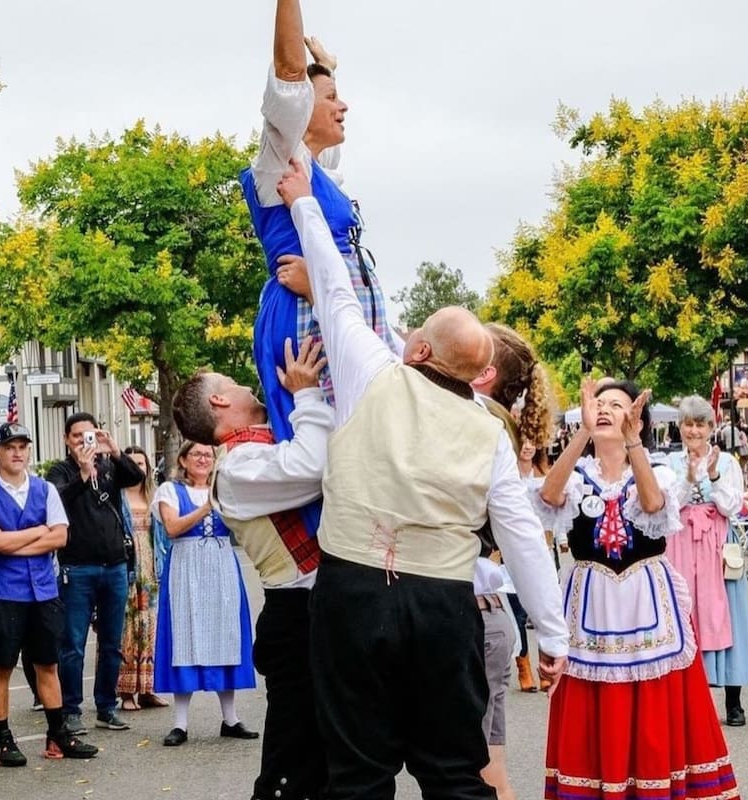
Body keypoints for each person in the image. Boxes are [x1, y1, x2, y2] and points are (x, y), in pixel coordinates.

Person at [281, 165, 569, 800]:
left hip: (354, 587)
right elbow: (521, 535)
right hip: (442, 600)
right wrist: (552, 633)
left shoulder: (372, 373)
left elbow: (334, 290)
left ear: (417, 349)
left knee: (356, 772)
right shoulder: (490, 432)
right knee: (453, 772)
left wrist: (303, 201)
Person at [535, 381, 738, 798]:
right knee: (590, 705)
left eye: (617, 405)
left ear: (638, 419)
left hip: (647, 599)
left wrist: (633, 445)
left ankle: (652, 785)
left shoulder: (656, 469)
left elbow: (651, 505)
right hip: (590, 600)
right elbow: (548, 495)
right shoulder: (577, 475)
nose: (606, 410)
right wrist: (582, 434)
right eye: (600, 404)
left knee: (653, 702)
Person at [172, 338, 334, 800]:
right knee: (293, 763)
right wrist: (305, 394)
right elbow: (313, 465)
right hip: (297, 614)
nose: (248, 385)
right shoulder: (238, 468)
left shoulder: (261, 445)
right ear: (220, 400)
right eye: (236, 383)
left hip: (316, 607)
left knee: (325, 754)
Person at [244, 0, 399, 460]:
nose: (343, 104)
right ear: (303, 108)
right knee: (332, 440)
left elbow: (311, 98)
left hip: (325, 304)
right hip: (305, 314)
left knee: (358, 432)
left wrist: (327, 70)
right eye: (332, 98)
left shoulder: (318, 165)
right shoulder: (280, 160)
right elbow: (290, 72)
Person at [0, 423, 98, 765]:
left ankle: (58, 735)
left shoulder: (45, 489)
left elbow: (60, 538)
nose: (17, 452)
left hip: (44, 591)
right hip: (5, 593)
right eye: (9, 446)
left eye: (23, 446)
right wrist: (38, 532)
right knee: (2, 666)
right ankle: (2, 739)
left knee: (48, 664)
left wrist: (18, 541)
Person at [468, 322, 556, 799]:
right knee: (488, 765)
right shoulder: (486, 417)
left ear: (482, 372)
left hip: (478, 611)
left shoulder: (480, 421)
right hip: (491, 610)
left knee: (473, 771)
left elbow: (523, 538)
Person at [152, 441, 258, 747]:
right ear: (183, 460)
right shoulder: (170, 491)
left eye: (208, 455)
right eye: (196, 454)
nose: (202, 459)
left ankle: (231, 718)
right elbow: (172, 528)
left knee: (226, 635)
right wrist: (206, 506)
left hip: (222, 564)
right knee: (184, 636)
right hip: (187, 566)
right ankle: (181, 723)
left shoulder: (225, 489)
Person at [46, 412, 143, 736]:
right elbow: (58, 499)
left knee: (112, 643)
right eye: (77, 437)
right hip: (78, 567)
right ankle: (70, 710)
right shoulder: (60, 471)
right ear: (66, 439)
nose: (84, 442)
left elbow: (134, 478)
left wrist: (113, 450)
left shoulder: (108, 465)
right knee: (73, 643)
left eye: (89, 435)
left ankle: (106, 707)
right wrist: (84, 473)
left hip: (114, 566)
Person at [665, 395, 748, 727]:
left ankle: (733, 701)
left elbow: (733, 507)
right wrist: (689, 478)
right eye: (688, 424)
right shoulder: (669, 463)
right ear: (681, 427)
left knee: (727, 614)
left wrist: (714, 476)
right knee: (684, 615)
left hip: (718, 544)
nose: (694, 430)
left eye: (700, 424)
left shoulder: (728, 462)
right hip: (680, 543)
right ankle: (686, 698)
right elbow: (668, 505)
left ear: (710, 427)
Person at [116, 446, 168, 712]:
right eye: (131, 462)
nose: (137, 467)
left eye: (141, 463)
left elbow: (164, 537)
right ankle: (126, 693)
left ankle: (148, 690)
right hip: (127, 569)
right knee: (127, 631)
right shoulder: (117, 496)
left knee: (150, 629)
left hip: (151, 569)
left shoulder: (154, 496)